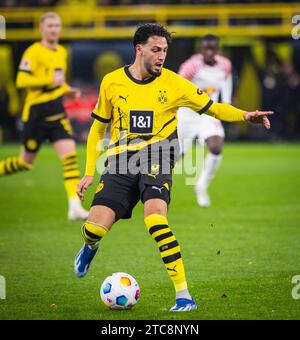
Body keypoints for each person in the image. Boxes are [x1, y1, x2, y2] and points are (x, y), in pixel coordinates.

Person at [74, 23, 272, 312]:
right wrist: (90, 170)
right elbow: (97, 129)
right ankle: (90, 247)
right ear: (138, 49)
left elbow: (214, 107)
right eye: (156, 50)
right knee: (93, 229)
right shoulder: (112, 82)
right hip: (120, 161)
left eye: (165, 50)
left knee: (155, 219)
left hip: (159, 155)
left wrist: (245, 115)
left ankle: (183, 296)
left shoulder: (175, 83)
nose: (161, 56)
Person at [0, 12, 88, 221]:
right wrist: (48, 80)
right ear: (41, 28)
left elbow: (58, 82)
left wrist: (68, 90)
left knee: (69, 157)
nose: (53, 29)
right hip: (36, 113)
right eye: (49, 26)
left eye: (56, 25)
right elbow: (21, 80)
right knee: (25, 163)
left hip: (56, 110)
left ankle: (74, 206)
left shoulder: (61, 52)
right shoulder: (34, 51)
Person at [177, 34, 232, 207]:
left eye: (213, 48)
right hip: (187, 115)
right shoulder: (191, 65)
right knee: (174, 158)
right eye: (206, 48)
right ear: (201, 50)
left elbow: (227, 81)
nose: (209, 52)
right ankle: (152, 188)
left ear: (218, 49)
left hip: (209, 114)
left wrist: (227, 104)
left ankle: (201, 186)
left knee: (216, 147)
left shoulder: (225, 64)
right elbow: (177, 85)